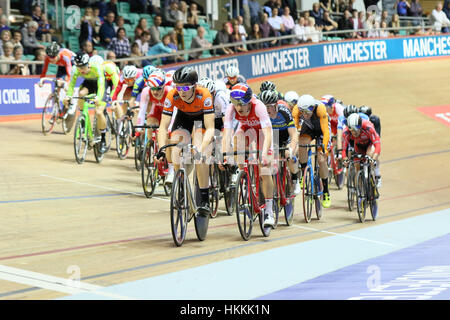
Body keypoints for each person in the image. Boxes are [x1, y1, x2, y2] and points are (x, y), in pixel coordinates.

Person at [156, 66, 216, 216]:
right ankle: (181, 189)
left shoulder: (205, 95)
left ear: (194, 86)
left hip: (200, 122)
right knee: (175, 150)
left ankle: (204, 199)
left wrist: (201, 148)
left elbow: (210, 128)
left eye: (186, 87)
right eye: (178, 87)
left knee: (200, 156)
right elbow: (163, 126)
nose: (181, 91)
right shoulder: (172, 95)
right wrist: (162, 149)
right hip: (183, 119)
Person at [221, 83, 276, 227]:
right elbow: (227, 132)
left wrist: (264, 154)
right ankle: (243, 175)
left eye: (242, 104)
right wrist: (224, 155)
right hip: (246, 129)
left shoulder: (259, 106)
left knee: (265, 169)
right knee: (237, 141)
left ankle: (269, 212)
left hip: (262, 133)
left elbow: (268, 132)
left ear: (249, 101)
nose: (238, 108)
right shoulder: (231, 108)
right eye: (235, 104)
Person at [63, 52, 108, 153]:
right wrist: (68, 96)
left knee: (99, 112)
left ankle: (103, 138)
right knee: (81, 94)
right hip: (88, 83)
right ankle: (83, 118)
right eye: (79, 67)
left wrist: (98, 98)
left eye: (83, 67)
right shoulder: (76, 69)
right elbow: (71, 86)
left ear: (88, 64)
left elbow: (101, 86)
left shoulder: (97, 68)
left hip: (100, 84)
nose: (81, 70)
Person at [259, 90, 301, 194]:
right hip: (273, 138)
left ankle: (295, 180)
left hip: (286, 136)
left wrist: (291, 148)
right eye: (264, 106)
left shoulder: (284, 112)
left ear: (276, 105)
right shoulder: (261, 113)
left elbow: (294, 134)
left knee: (288, 155)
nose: (267, 109)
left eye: (269, 106)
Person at [296, 94, 332, 208]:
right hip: (309, 128)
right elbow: (295, 130)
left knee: (321, 159)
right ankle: (303, 173)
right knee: (301, 143)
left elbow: (326, 132)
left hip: (321, 129)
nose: (306, 114)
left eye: (309, 111)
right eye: (303, 112)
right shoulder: (296, 110)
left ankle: (326, 191)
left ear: (313, 107)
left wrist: (324, 148)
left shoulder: (320, 108)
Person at [342, 113, 381, 188]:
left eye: (356, 130)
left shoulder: (368, 127)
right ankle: (360, 192)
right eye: (352, 130)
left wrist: (374, 159)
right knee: (357, 166)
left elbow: (377, 145)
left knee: (369, 156)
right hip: (358, 146)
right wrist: (345, 159)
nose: (354, 133)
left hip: (369, 145)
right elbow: (344, 149)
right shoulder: (346, 132)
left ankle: (372, 178)